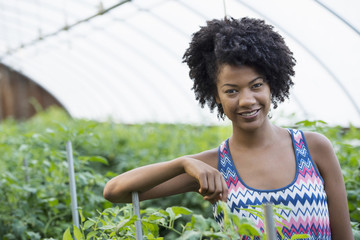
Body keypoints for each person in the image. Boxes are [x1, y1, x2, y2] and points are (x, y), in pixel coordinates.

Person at [103, 17, 353, 239]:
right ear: (215, 96)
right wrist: (184, 163)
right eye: (231, 90)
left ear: (271, 85)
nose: (246, 100)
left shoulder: (314, 148)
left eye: (256, 85)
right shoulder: (214, 166)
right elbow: (115, 191)